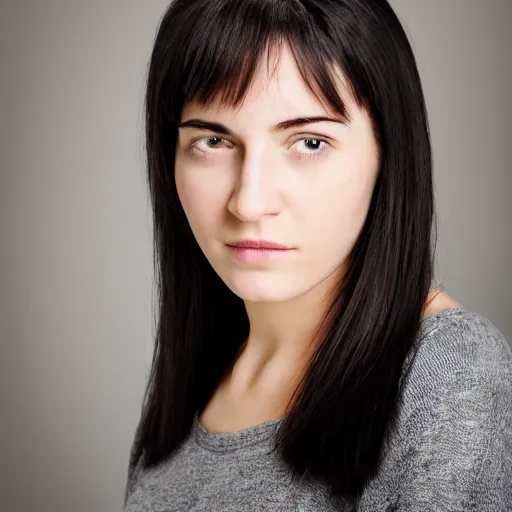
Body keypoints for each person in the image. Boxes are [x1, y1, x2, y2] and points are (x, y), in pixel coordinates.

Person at [123, 0, 512, 510]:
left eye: (309, 142)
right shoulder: (201, 375)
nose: (249, 201)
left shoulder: (449, 374)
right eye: (214, 140)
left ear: (387, 154)